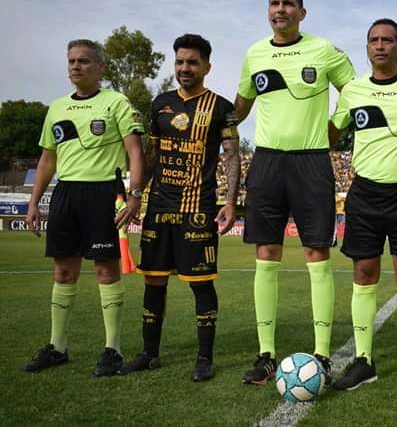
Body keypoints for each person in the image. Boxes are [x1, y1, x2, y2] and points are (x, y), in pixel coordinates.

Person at [234, 0, 356, 384]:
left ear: (302, 13)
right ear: (267, 10)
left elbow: (353, 90)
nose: (280, 9)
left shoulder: (323, 49)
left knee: (316, 253)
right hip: (267, 161)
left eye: (288, 4)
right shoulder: (255, 53)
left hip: (311, 161)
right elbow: (240, 106)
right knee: (266, 251)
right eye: (274, 3)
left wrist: (335, 128)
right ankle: (265, 353)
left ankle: (321, 354)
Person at [329, 18, 397, 397]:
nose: (380, 45)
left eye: (387, 40)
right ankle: (364, 361)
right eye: (373, 40)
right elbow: (333, 132)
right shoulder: (353, 90)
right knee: (363, 274)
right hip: (365, 194)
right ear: (367, 47)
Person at [119, 34, 239, 382]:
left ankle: (204, 358)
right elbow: (151, 155)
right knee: (153, 280)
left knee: (200, 283)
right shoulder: (160, 104)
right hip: (159, 207)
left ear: (207, 67)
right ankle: (149, 353)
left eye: (192, 62)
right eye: (180, 62)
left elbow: (231, 156)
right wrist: (136, 194)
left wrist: (230, 201)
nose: (185, 68)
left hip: (197, 209)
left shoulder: (221, 107)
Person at [23, 39, 144, 376]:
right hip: (66, 194)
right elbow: (47, 160)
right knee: (63, 271)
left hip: (103, 193)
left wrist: (135, 194)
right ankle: (57, 347)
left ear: (100, 67)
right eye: (72, 61)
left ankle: (113, 349)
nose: (76, 66)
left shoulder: (116, 102)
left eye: (84, 61)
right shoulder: (57, 108)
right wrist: (34, 202)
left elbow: (135, 151)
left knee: (106, 270)